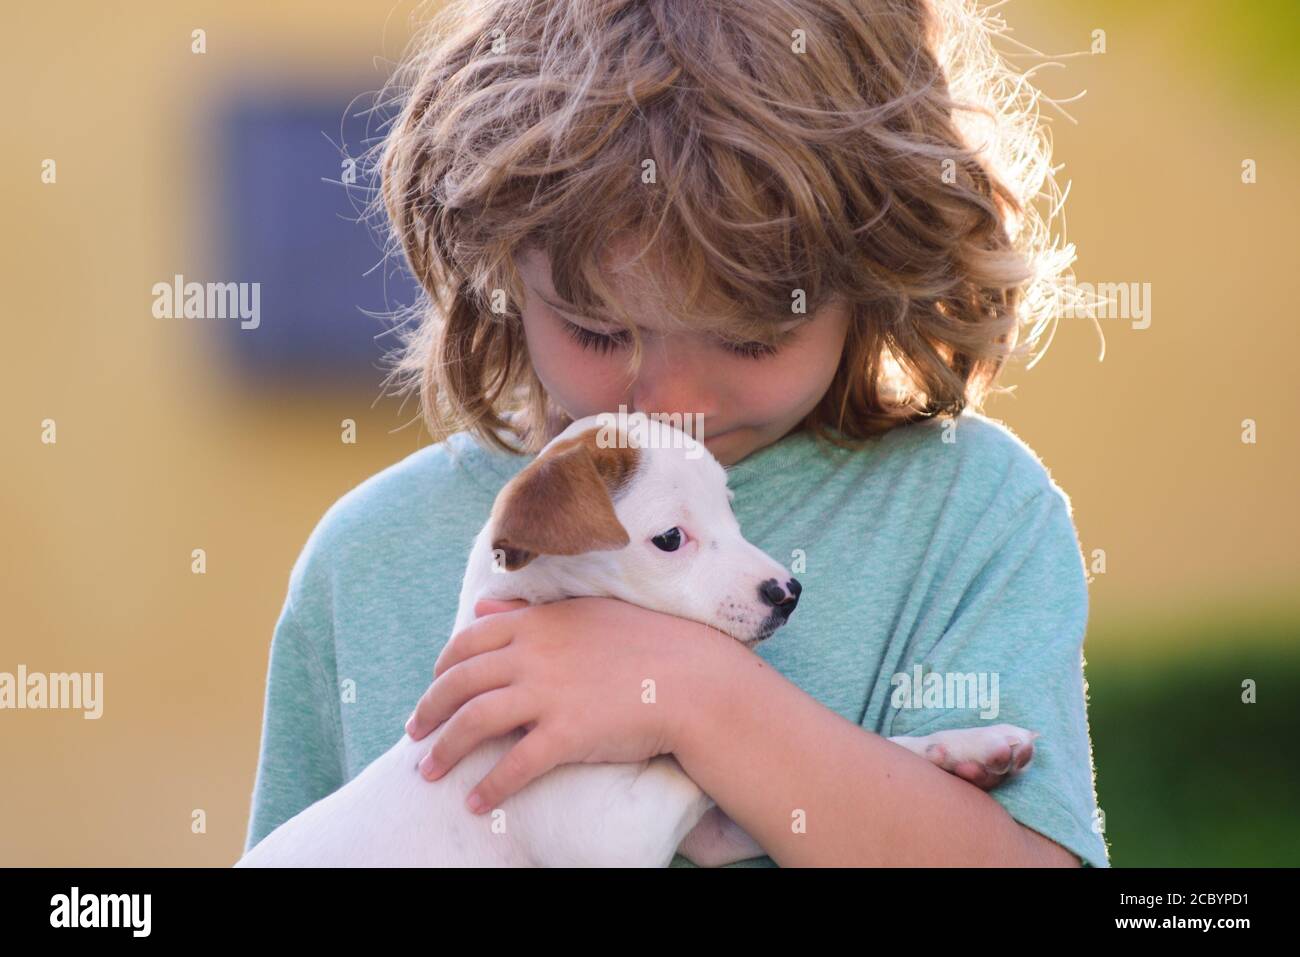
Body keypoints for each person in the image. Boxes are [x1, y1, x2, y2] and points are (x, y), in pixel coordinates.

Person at [244, 0, 1108, 867]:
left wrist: (698, 701)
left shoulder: (967, 514)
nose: (672, 402)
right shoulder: (366, 560)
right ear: (500, 268)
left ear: (878, 280)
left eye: (751, 336)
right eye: (598, 330)